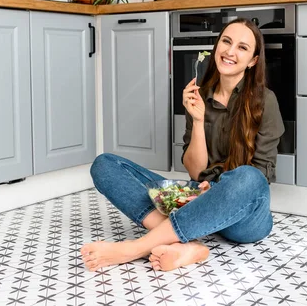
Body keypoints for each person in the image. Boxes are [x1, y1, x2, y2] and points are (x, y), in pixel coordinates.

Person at [80, 17, 285, 272]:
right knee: (105, 165)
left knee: (249, 177)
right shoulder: (198, 96)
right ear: (216, 46)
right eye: (226, 41)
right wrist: (198, 120)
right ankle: (187, 245)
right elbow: (196, 172)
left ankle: (136, 248)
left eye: (242, 48)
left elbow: (261, 176)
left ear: (253, 60)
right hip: (200, 195)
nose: (230, 51)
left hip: (245, 217)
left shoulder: (265, 100)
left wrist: (220, 187)